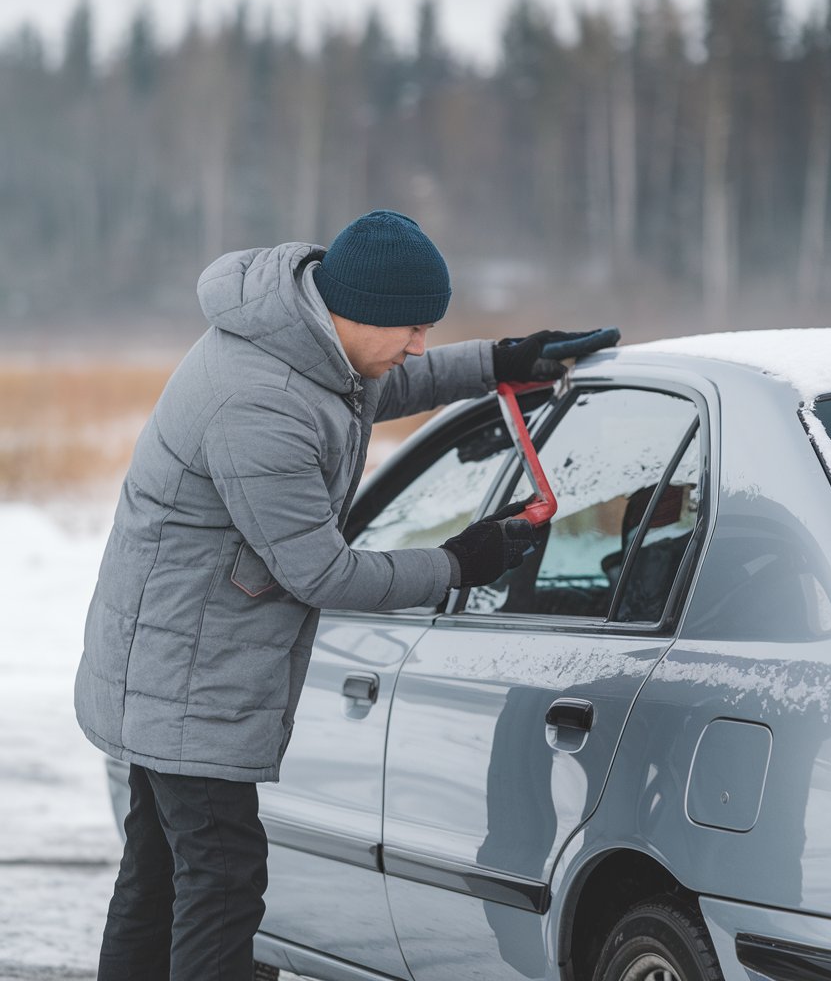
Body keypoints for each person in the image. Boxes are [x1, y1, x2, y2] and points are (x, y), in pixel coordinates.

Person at [75, 210, 599, 980]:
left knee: (159, 874)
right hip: (188, 670)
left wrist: (499, 360)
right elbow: (320, 572)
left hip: (172, 654)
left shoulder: (302, 347)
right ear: (350, 314)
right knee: (221, 879)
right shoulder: (259, 401)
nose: (419, 344)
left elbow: (388, 382)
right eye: (411, 327)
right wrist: (460, 561)